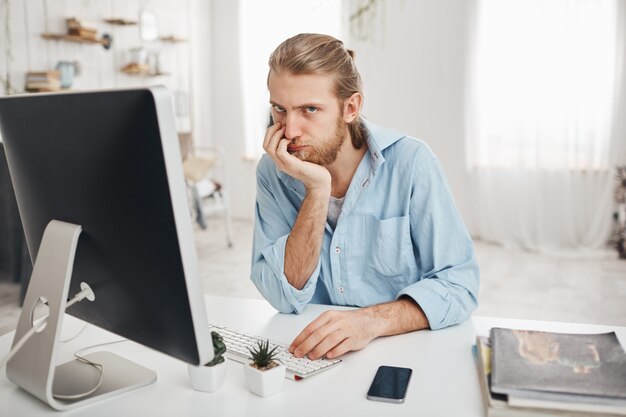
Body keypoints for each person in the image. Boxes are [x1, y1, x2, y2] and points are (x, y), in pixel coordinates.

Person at [251, 33, 479, 361]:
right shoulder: (273, 171)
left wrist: (369, 322)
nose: (289, 131)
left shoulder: (412, 163)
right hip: (311, 357)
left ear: (350, 107)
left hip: (401, 352)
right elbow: (283, 296)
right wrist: (317, 190)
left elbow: (459, 286)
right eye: (279, 109)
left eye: (310, 109)